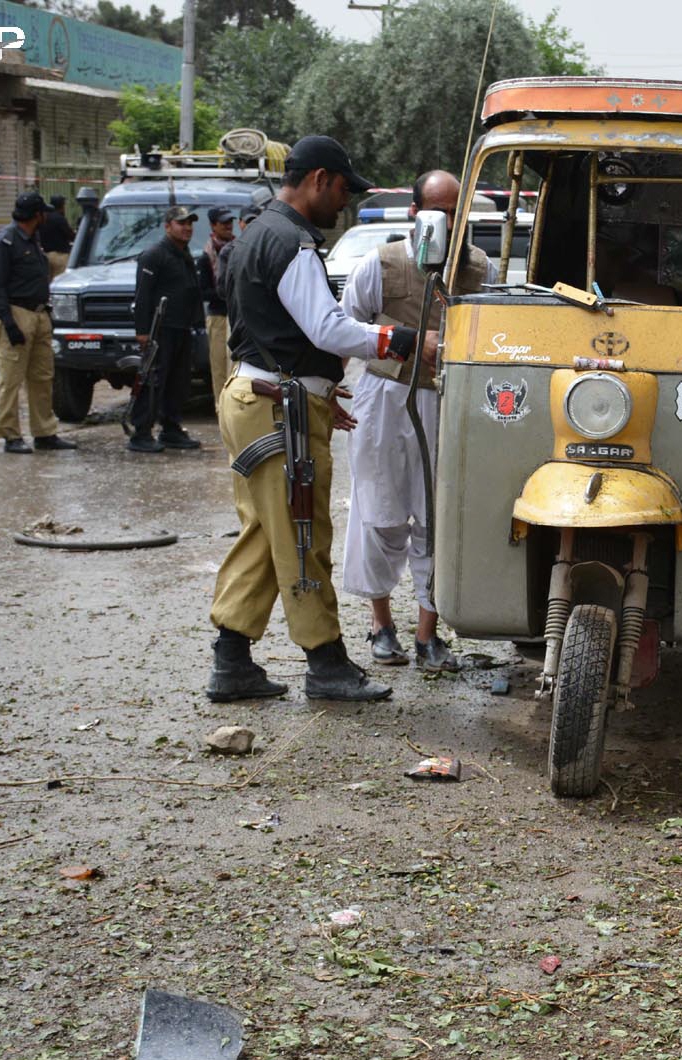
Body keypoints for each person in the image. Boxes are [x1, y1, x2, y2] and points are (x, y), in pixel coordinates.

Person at [206, 135, 438, 703]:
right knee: (302, 532)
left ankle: (231, 660)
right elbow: (327, 329)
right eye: (341, 190)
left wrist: (316, 388)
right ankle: (326, 661)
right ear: (318, 180)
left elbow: (271, 330)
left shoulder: (258, 233)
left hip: (257, 394)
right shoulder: (291, 242)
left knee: (268, 533)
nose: (344, 204)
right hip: (276, 407)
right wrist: (404, 338)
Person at [341, 170, 492, 671]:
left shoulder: (477, 268)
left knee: (437, 518)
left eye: (457, 211)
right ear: (416, 212)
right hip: (384, 399)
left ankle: (429, 633)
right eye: (440, 211)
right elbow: (344, 326)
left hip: (447, 403)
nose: (449, 221)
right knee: (379, 512)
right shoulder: (380, 264)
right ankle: (381, 625)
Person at [0, 191, 76, 454]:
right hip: (16, 314)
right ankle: (10, 434)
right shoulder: (5, 242)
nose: (47, 216)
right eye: (44, 212)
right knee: (11, 379)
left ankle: (44, 432)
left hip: (38, 315)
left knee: (42, 377)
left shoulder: (33, 239)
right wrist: (9, 323)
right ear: (37, 215)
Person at [130, 205, 204, 453]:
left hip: (181, 328)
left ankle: (171, 429)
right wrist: (142, 332)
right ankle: (141, 433)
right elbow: (142, 296)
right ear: (167, 226)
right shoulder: (154, 255)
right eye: (181, 223)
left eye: (190, 224)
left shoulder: (184, 254)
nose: (187, 228)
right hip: (160, 330)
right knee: (153, 381)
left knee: (178, 382)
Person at [198, 206, 235, 406]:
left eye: (230, 222)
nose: (229, 226)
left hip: (237, 315)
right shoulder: (206, 256)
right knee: (220, 368)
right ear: (213, 226)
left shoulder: (241, 248)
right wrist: (228, 293)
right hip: (219, 317)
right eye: (224, 223)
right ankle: (221, 411)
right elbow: (204, 292)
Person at [38, 195, 76, 278]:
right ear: (61, 206)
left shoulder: (44, 217)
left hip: (46, 256)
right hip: (60, 256)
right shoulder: (60, 218)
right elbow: (70, 235)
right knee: (60, 282)